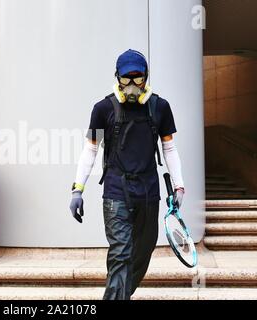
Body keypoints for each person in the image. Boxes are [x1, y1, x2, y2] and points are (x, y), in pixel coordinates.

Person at [69, 49, 185, 300]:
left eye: (137, 78)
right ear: (117, 77)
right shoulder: (102, 109)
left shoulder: (160, 107)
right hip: (116, 193)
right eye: (126, 79)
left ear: (146, 77)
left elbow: (169, 148)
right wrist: (78, 189)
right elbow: (90, 150)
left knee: (142, 251)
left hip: (148, 192)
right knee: (121, 252)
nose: (132, 85)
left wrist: (179, 186)